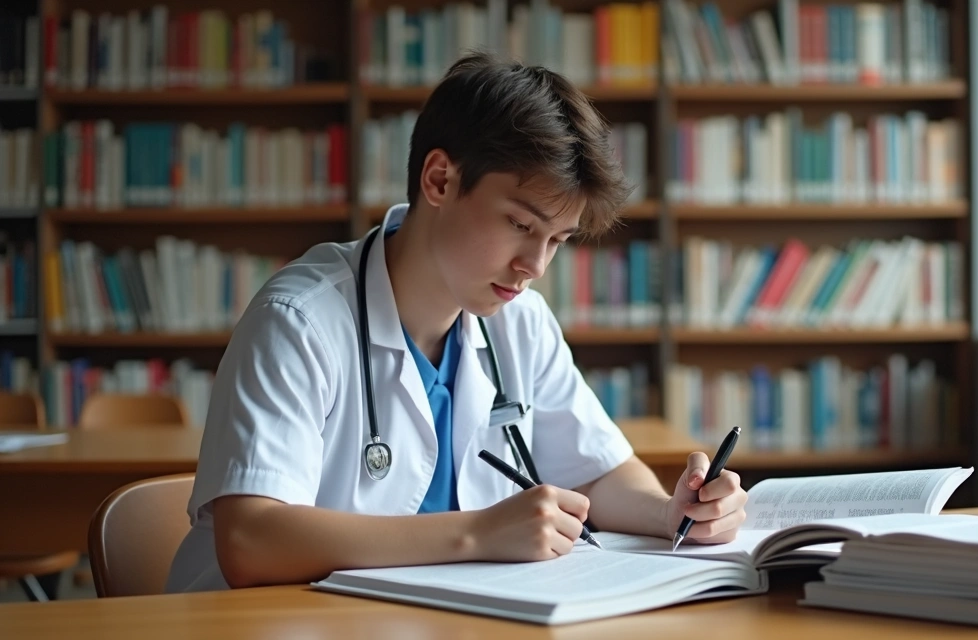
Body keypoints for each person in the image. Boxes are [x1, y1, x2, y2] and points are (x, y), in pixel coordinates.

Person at [164, 52, 748, 593]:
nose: (535, 266)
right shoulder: (299, 321)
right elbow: (250, 541)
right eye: (521, 225)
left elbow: (599, 473)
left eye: (557, 241)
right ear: (439, 180)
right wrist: (478, 534)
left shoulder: (520, 322)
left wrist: (673, 513)